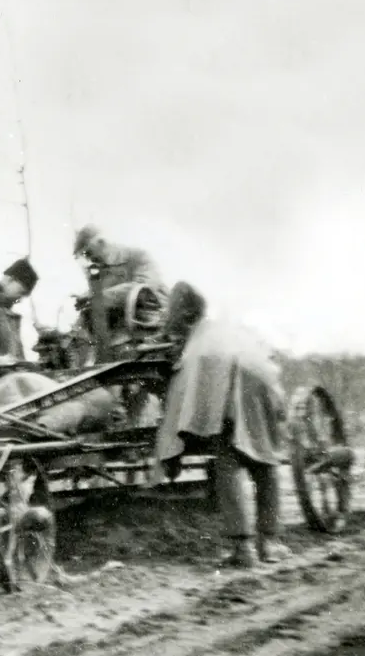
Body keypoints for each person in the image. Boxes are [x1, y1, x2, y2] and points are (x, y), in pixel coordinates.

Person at [150, 282, 290, 568]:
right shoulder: (227, 329)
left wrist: (171, 449)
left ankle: (243, 548)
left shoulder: (198, 345)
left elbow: (180, 399)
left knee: (229, 460)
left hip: (233, 391)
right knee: (266, 463)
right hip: (261, 381)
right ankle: (271, 543)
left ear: (186, 316)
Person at [72, 225, 169, 346]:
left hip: (155, 325)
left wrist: (97, 297)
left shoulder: (138, 256)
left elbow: (145, 289)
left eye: (89, 252)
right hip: (121, 337)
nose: (90, 258)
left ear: (101, 242)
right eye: (85, 256)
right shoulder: (99, 274)